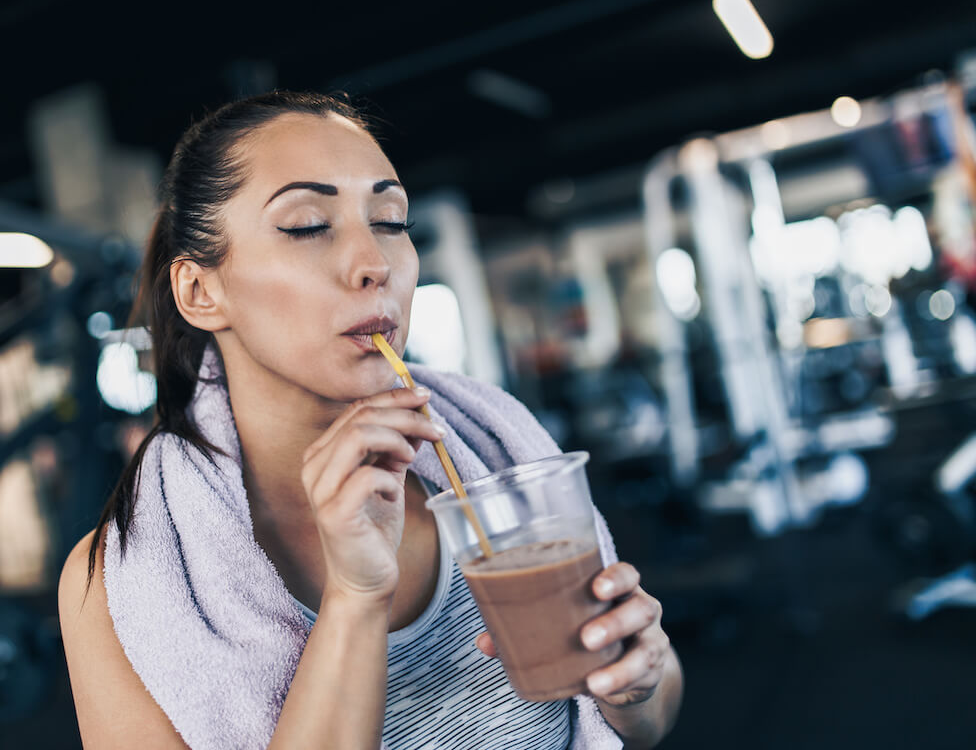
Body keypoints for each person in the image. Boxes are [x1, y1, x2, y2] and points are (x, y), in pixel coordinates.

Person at [57, 91, 683, 749]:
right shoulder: (116, 587)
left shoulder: (495, 453)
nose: (375, 263)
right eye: (306, 225)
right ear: (200, 291)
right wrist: (355, 599)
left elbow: (645, 719)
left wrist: (640, 684)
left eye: (389, 220)